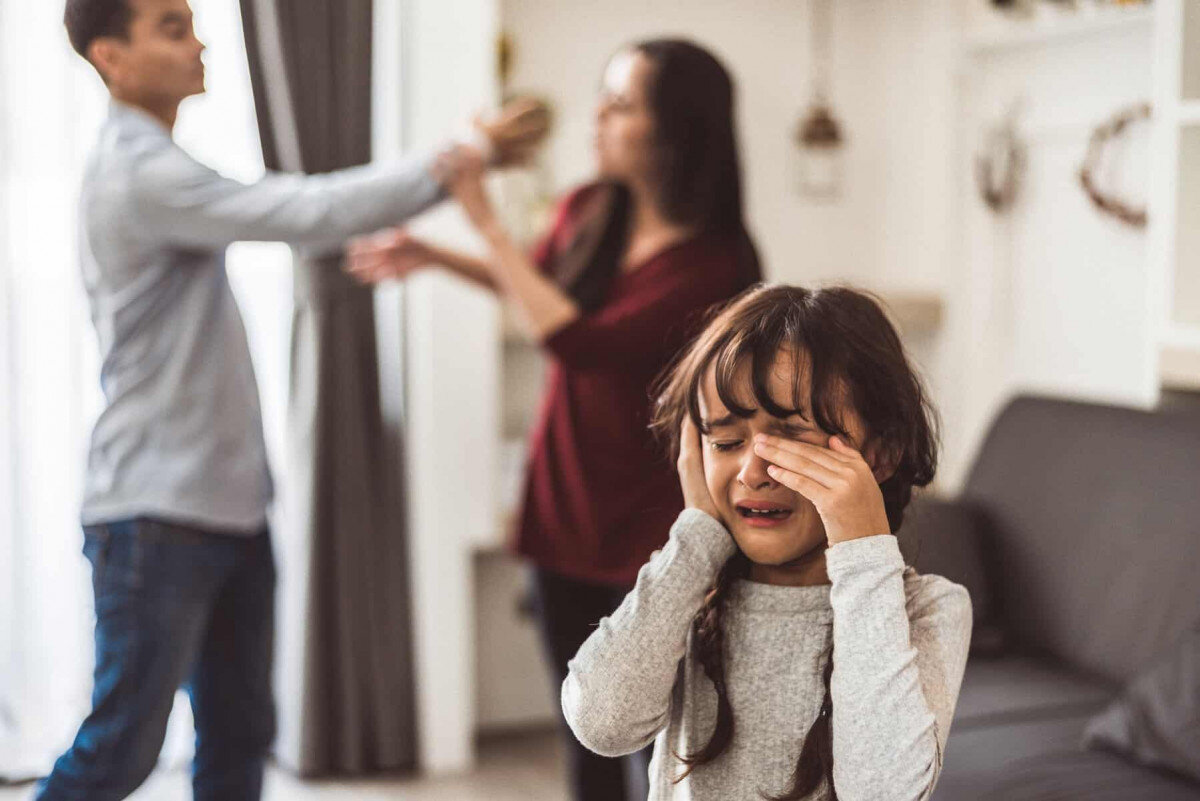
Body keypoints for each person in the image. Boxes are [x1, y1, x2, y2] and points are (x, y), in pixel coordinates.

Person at [39, 1, 544, 799]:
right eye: (171, 26)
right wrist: (459, 155)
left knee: (240, 739)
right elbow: (309, 213)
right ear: (111, 57)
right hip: (155, 514)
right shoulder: (140, 171)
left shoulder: (159, 163)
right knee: (119, 751)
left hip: (224, 509)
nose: (199, 39)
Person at [347, 38, 761, 801]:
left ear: (675, 128)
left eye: (621, 102)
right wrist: (438, 256)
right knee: (585, 729)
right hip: (561, 500)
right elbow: (546, 290)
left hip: (656, 528)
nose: (597, 115)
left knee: (660, 742)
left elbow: (575, 338)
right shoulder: (588, 208)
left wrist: (483, 224)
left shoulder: (716, 264)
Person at [561, 284, 974, 799]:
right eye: (726, 442)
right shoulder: (687, 591)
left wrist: (864, 552)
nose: (752, 472)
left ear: (881, 455)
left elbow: (881, 792)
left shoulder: (930, 610)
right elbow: (601, 724)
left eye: (791, 438)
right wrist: (697, 536)